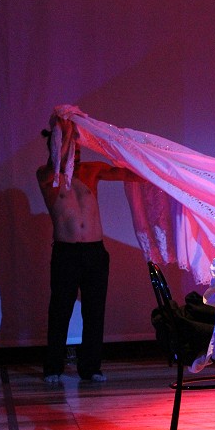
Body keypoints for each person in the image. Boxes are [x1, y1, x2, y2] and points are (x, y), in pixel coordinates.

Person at [38, 115, 140, 383]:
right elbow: (55, 161)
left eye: (79, 149)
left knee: (94, 311)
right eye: (71, 149)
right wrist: (63, 127)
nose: (77, 155)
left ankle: (91, 367)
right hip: (66, 253)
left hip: (95, 252)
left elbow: (125, 173)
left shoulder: (91, 171)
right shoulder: (48, 177)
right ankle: (53, 368)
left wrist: (157, 171)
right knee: (60, 311)